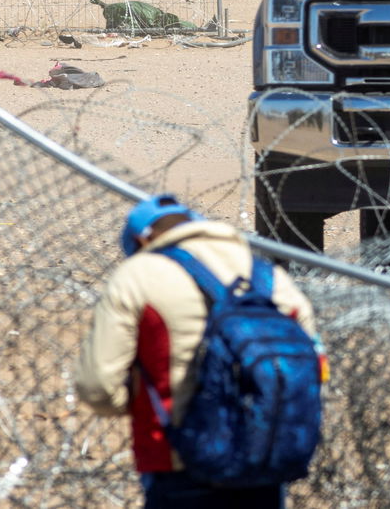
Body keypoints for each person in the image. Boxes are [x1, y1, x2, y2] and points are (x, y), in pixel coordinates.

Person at [75, 195, 318, 509]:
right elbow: (314, 364)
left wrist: (132, 402)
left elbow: (98, 387)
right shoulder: (269, 276)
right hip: (265, 457)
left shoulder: (139, 274)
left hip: (177, 456)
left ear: (140, 240)